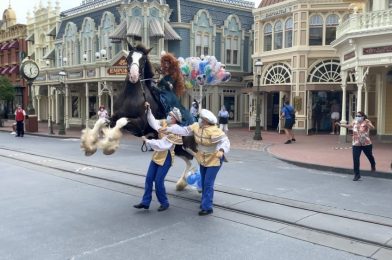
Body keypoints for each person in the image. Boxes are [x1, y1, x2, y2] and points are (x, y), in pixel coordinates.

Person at [163, 109, 230, 216]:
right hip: (202, 157)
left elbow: (225, 141)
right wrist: (170, 129)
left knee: (208, 183)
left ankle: (207, 207)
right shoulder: (196, 126)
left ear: (206, 121)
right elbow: (184, 130)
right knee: (203, 182)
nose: (199, 120)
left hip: (214, 158)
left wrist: (222, 150)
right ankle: (205, 202)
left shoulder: (214, 130)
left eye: (201, 119)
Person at [133, 102, 183, 212]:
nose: (168, 116)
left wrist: (147, 141)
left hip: (166, 156)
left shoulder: (176, 130)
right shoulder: (166, 124)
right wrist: (149, 109)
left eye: (170, 115)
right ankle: (145, 202)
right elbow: (153, 122)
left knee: (158, 180)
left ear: (174, 119)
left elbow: (163, 145)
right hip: (157, 154)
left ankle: (164, 203)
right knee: (149, 178)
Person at [337, 111, 376, 181]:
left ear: (363, 116)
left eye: (359, 116)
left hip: (366, 143)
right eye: (357, 116)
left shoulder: (366, 121)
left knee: (369, 156)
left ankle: (373, 164)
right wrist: (340, 125)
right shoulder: (355, 121)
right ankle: (357, 175)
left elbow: (372, 127)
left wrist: (368, 124)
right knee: (356, 159)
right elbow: (349, 126)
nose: (358, 117)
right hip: (356, 143)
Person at [157, 52, 193, 125]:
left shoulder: (174, 74)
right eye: (165, 63)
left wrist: (162, 80)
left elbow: (169, 86)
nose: (166, 65)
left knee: (165, 101)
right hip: (161, 91)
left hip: (169, 94)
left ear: (171, 64)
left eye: (168, 63)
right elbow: (159, 85)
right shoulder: (163, 73)